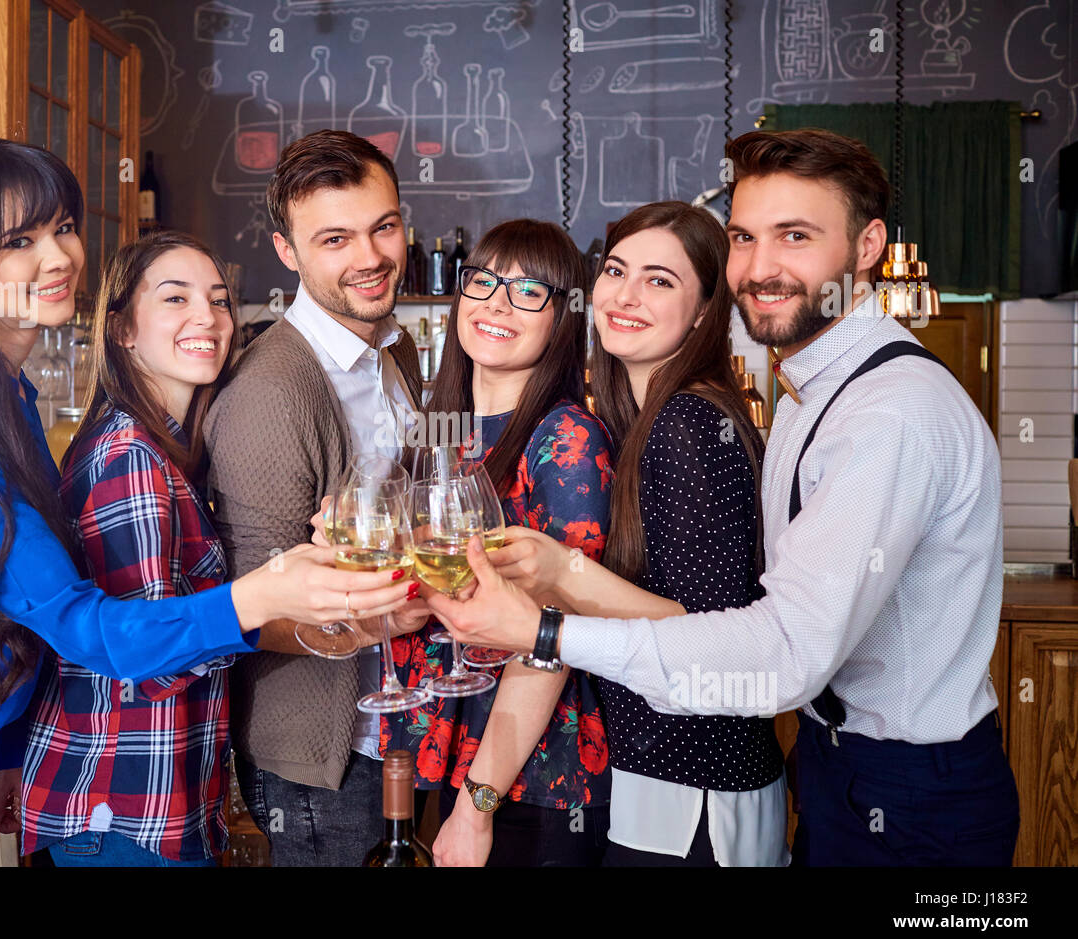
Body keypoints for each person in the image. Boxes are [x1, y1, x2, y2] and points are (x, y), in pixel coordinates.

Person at [0, 137, 412, 866]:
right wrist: (260, 593)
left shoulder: (2, 398)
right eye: (19, 240)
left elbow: (9, 614)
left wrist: (11, 750)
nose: (59, 258)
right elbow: (85, 630)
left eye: (63, 228)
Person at [424, 128, 1018, 867]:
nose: (762, 266)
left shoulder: (877, 412)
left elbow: (774, 648)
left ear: (868, 247)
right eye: (744, 236)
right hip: (829, 772)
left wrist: (548, 617)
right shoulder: (802, 387)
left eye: (795, 236)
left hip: (886, 795)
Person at [475, 203, 785, 866]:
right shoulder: (650, 418)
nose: (626, 295)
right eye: (617, 271)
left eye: (660, 281)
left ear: (705, 311)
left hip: (695, 793)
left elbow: (710, 634)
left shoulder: (687, 424)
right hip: (674, 783)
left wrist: (562, 573)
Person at [386, 219, 647, 867]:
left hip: (531, 780)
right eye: (483, 281)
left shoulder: (568, 440)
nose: (497, 303)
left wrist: (478, 806)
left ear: (562, 319)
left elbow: (552, 641)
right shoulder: (442, 432)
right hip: (453, 752)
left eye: (529, 289)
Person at [203, 129, 429, 866]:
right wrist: (406, 606)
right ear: (288, 252)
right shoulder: (270, 390)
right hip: (319, 755)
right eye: (335, 238)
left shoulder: (393, 350)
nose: (369, 258)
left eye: (383, 227)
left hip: (399, 725)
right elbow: (256, 613)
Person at [20, 232, 251, 867]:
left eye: (220, 300)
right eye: (175, 298)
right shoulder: (130, 457)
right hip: (117, 817)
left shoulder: (162, 449)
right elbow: (146, 652)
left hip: (144, 812)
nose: (208, 317)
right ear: (122, 329)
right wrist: (269, 606)